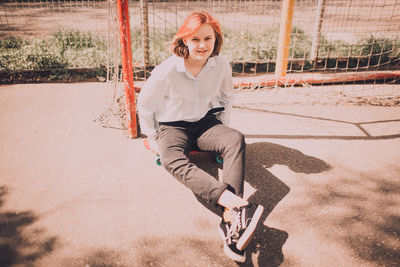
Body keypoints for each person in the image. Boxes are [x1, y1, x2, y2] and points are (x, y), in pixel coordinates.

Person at [137, 11, 264, 262]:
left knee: (235, 138)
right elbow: (145, 104)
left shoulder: (221, 64)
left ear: (216, 40)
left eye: (208, 38)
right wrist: (153, 139)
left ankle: (231, 222)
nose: (203, 45)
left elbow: (227, 98)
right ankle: (230, 203)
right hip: (173, 127)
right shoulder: (167, 70)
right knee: (170, 157)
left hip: (206, 124)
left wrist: (223, 130)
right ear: (184, 40)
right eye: (195, 39)